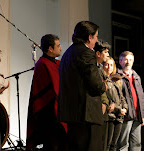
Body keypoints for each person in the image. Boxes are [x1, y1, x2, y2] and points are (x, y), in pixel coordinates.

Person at [58, 21, 108, 151]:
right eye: (96, 36)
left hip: (73, 113)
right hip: (86, 114)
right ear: (89, 37)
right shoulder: (86, 53)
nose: (96, 40)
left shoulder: (68, 53)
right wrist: (104, 86)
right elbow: (95, 84)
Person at [26, 34, 67, 151]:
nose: (61, 48)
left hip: (57, 111)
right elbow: (46, 92)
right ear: (50, 49)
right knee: (52, 145)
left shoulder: (56, 63)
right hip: (48, 115)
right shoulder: (43, 64)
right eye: (58, 46)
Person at [117, 51, 144, 151]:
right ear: (120, 61)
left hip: (137, 115)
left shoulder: (136, 77)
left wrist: (142, 115)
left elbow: (141, 96)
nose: (128, 62)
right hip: (126, 115)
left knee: (137, 144)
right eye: (126, 59)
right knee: (123, 144)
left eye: (130, 60)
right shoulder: (117, 76)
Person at [102, 57, 128, 151]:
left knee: (114, 145)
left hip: (119, 116)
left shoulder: (116, 80)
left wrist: (124, 108)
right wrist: (118, 109)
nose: (109, 67)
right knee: (107, 145)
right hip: (110, 116)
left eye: (111, 65)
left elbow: (122, 97)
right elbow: (108, 99)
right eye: (107, 64)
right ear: (103, 65)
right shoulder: (103, 80)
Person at [94, 39, 111, 151]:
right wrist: (104, 102)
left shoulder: (99, 69)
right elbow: (100, 88)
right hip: (96, 111)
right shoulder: (94, 69)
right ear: (98, 53)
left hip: (102, 111)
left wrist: (105, 101)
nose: (108, 55)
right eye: (106, 52)